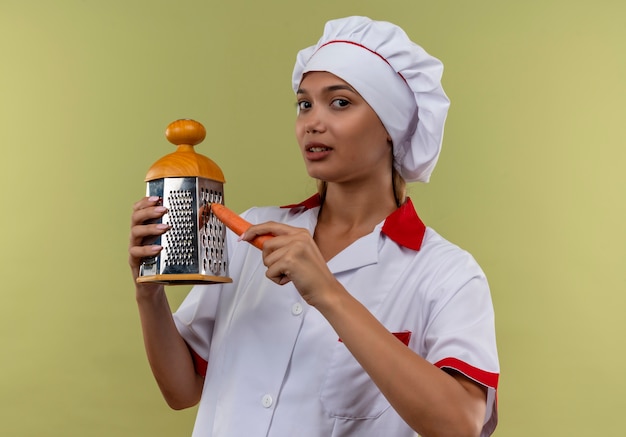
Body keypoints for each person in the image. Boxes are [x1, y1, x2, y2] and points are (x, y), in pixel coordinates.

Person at [129, 16, 499, 437]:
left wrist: (328, 294)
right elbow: (182, 390)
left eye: (340, 102)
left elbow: (460, 425)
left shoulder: (445, 273)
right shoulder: (247, 231)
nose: (312, 123)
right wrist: (150, 292)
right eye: (304, 104)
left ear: (391, 127)